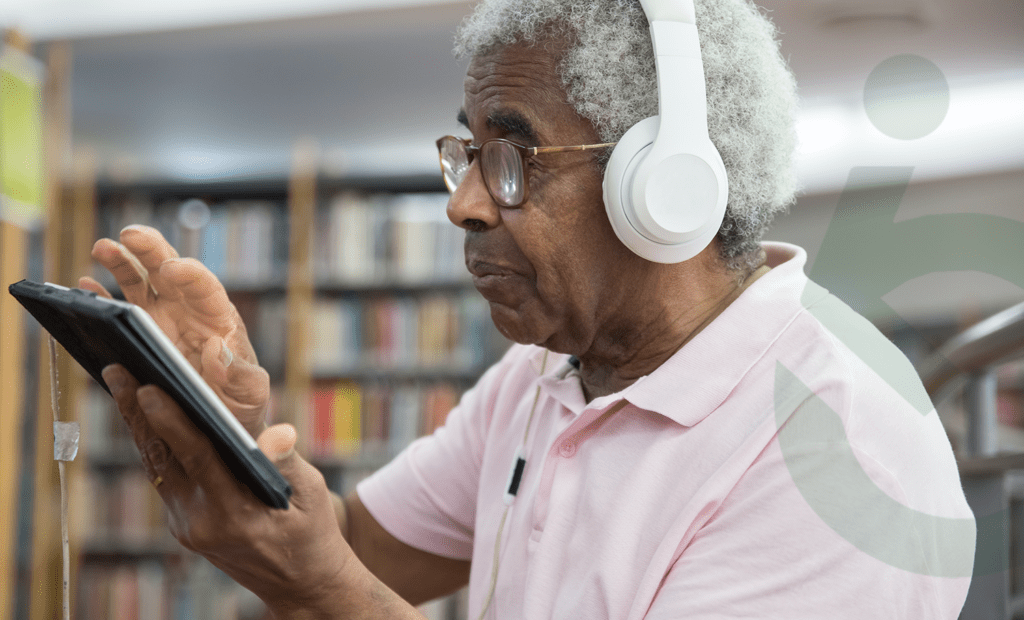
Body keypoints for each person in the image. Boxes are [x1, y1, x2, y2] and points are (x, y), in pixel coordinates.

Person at [87, 0, 976, 617]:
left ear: (666, 186)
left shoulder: (843, 453)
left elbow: (332, 586)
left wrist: (319, 588)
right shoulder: (542, 378)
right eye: (467, 153)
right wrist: (224, 439)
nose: (465, 203)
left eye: (513, 155)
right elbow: (356, 555)